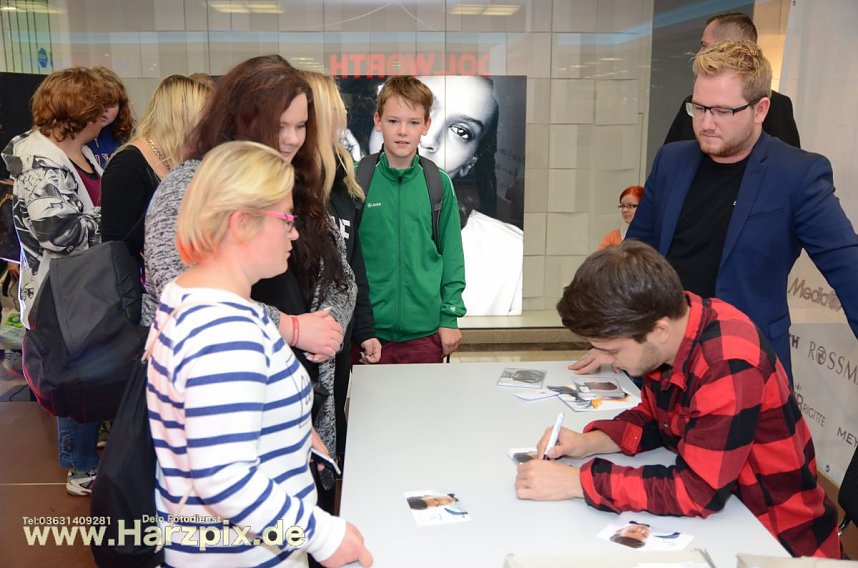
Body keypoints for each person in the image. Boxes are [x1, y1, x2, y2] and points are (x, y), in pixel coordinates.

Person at [515, 240, 840, 559]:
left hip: (777, 540)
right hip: (733, 520)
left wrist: (580, 482)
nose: (609, 362)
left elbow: (697, 492)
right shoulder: (675, 329)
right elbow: (659, 419)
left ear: (659, 330)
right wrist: (589, 442)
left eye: (613, 350)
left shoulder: (727, 363)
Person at [574, 41, 858, 383]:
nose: (706, 123)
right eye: (699, 108)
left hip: (745, 366)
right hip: (663, 364)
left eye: (722, 111)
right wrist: (613, 342)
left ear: (760, 109)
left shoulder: (797, 174)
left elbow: (848, 268)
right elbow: (635, 260)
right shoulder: (671, 161)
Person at [146, 140, 372, 567]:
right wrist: (323, 536)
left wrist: (297, 431)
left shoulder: (190, 298)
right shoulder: (225, 332)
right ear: (241, 224)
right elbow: (225, 480)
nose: (294, 233)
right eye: (286, 219)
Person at [142, 56, 353, 502]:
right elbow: (184, 288)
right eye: (280, 126)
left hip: (298, 399)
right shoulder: (190, 184)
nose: (292, 139)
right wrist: (293, 328)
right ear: (242, 119)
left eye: (301, 126)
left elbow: (340, 274)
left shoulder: (294, 179)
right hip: (236, 410)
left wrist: (327, 326)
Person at [1, 67, 109, 495]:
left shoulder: (77, 151)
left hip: (82, 286)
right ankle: (80, 467)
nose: (106, 115)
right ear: (80, 110)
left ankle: (85, 450)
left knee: (87, 374)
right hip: (59, 290)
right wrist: (117, 213)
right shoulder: (39, 160)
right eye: (99, 107)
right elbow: (60, 235)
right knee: (74, 378)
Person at [367, 75, 523, 315]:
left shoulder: (509, 255)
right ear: (378, 119)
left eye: (461, 131)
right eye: (411, 108)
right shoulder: (327, 230)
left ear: (469, 163)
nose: (428, 138)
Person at [354, 76, 466, 363]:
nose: (403, 131)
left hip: (424, 334)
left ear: (426, 125)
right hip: (366, 333)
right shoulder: (356, 180)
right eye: (393, 121)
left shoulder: (438, 183)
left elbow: (452, 255)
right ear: (378, 121)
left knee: (423, 395)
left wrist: (449, 316)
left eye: (413, 122)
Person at [302, 71, 381, 464]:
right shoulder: (293, 185)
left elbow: (353, 266)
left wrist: (364, 329)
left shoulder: (343, 182)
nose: (344, 117)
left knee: (332, 436)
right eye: (335, 108)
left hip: (340, 340)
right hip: (303, 343)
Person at [101, 74, 211, 270]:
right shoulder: (127, 165)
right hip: (142, 281)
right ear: (182, 116)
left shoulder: (174, 158)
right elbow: (116, 246)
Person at [663, 12, 800, 148]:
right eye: (699, 108)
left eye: (704, 45)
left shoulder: (777, 107)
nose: (706, 125)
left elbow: (787, 158)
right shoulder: (691, 105)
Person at [86, 66, 135, 170]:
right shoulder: (75, 138)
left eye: (111, 104)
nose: (104, 110)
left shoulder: (127, 137)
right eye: (99, 102)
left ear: (121, 106)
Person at [597, 185, 643, 250]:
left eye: (630, 205)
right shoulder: (612, 237)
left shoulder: (654, 234)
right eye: (622, 206)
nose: (624, 210)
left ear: (643, 206)